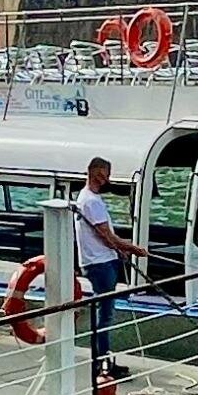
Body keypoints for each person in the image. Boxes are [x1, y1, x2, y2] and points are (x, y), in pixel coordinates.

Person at [74, 156, 144, 380]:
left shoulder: (86, 198)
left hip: (100, 260)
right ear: (95, 172)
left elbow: (104, 236)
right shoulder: (91, 201)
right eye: (106, 173)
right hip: (100, 264)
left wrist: (118, 249)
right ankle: (101, 364)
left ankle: (103, 361)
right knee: (104, 316)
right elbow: (104, 235)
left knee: (104, 314)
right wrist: (132, 248)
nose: (108, 178)